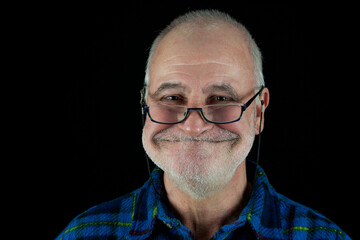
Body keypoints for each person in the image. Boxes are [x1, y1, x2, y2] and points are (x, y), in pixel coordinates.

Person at [56, 9, 350, 240]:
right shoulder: (83, 234)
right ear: (144, 105)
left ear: (259, 111)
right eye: (172, 97)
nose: (194, 126)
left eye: (221, 98)